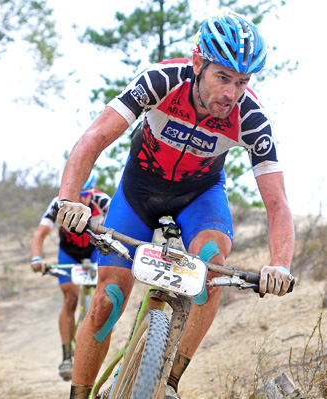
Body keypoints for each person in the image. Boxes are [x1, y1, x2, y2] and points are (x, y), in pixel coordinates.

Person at [54, 8, 296, 399]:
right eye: (222, 77)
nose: (230, 93)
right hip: (139, 191)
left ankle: (167, 382)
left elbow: (278, 204)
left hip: (199, 196)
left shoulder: (250, 116)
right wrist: (69, 200)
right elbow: (95, 137)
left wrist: (280, 264)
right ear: (198, 62)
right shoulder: (161, 81)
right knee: (108, 299)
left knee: (213, 265)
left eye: (241, 82)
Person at [30, 173, 111, 381]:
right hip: (69, 253)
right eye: (77, 194)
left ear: (92, 192)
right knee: (70, 299)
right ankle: (66, 356)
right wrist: (36, 258)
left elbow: (118, 228)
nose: (81, 200)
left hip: (93, 250)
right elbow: (40, 234)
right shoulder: (58, 203)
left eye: (85, 194)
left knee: (102, 298)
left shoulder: (102, 201)